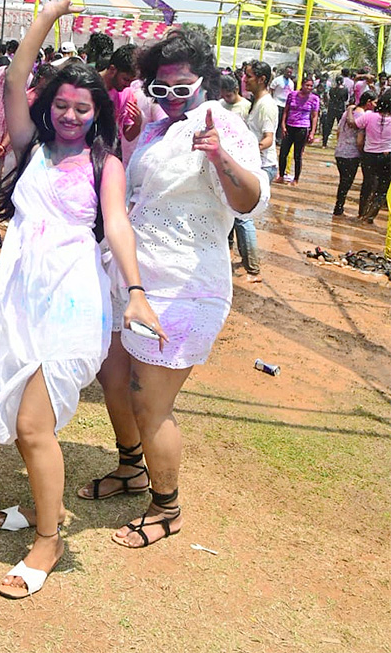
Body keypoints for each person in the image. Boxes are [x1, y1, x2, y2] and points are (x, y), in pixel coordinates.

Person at [0, 0, 164, 599]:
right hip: (20, 291)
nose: (71, 116)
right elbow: (19, 72)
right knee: (28, 412)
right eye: (63, 106)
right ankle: (37, 510)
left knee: (32, 424)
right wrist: (45, 18)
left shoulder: (107, 164)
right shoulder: (31, 147)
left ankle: (47, 543)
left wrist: (134, 289)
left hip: (72, 298)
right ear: (48, 107)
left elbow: (119, 226)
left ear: (97, 111)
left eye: (83, 108)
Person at [77, 27, 268, 551]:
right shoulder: (162, 129)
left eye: (182, 85)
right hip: (132, 278)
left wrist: (221, 158)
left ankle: (167, 507)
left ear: (204, 79)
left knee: (149, 400)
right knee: (113, 378)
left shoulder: (222, 126)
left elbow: (251, 201)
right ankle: (131, 468)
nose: (171, 96)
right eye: (159, 89)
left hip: (186, 286)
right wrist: (137, 131)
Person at [231, 60, 278, 281]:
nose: (244, 79)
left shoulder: (266, 105)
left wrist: (251, 149)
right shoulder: (255, 102)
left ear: (261, 79)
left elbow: (269, 138)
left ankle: (252, 267)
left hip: (263, 164)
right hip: (253, 162)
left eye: (248, 76)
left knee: (243, 215)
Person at [332, 91, 376, 216]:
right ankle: (339, 207)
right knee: (347, 181)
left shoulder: (348, 112)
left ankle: (339, 206)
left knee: (343, 180)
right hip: (352, 153)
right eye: (374, 102)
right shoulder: (364, 116)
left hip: (340, 151)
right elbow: (360, 140)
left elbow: (339, 130)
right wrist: (362, 153)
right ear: (368, 102)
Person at [100, 45, 143, 166]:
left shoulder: (127, 93)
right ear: (113, 70)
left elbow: (128, 135)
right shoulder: (89, 86)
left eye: (131, 81)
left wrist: (138, 123)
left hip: (110, 155)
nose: (128, 85)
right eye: (125, 79)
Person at [275, 76, 319, 186]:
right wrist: (283, 125)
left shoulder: (314, 99)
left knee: (297, 155)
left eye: (311, 86)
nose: (309, 88)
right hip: (289, 126)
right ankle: (281, 175)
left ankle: (296, 178)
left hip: (302, 128)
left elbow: (314, 116)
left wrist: (312, 132)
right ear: (302, 85)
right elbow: (286, 110)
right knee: (283, 153)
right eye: (307, 85)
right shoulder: (292, 95)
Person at [356, 88, 391, 224]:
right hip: (387, 156)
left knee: (367, 184)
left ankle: (361, 214)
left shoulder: (369, 116)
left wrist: (349, 111)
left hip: (369, 155)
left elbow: (354, 124)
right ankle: (369, 218)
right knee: (382, 189)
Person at [270, 65, 295, 144]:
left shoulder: (291, 83)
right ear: (284, 71)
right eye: (288, 72)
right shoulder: (277, 80)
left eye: (290, 72)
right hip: (277, 103)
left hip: (286, 105)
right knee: (275, 121)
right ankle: (272, 137)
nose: (289, 73)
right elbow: (271, 89)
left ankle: (279, 138)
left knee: (282, 122)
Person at [322, 76, 349, 147]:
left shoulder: (332, 89)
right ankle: (341, 143)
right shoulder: (345, 89)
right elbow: (345, 99)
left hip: (332, 108)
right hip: (340, 108)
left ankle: (324, 143)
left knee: (328, 125)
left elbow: (330, 96)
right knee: (341, 126)